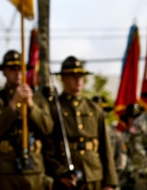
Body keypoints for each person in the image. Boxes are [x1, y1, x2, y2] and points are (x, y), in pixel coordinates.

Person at [0, 50, 54, 190]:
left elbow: (47, 127)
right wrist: (14, 103)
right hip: (5, 168)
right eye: (12, 69)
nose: (17, 73)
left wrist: (31, 104)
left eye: (20, 69)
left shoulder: (38, 98)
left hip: (33, 168)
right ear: (4, 71)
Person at [46, 56, 118, 190]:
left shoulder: (94, 109)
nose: (78, 79)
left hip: (94, 174)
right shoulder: (54, 108)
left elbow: (105, 148)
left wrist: (109, 183)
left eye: (80, 75)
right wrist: (59, 173)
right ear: (63, 78)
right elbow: (48, 147)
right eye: (73, 75)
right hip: (67, 177)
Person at [118, 104, 146, 190]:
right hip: (125, 180)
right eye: (132, 117)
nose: (135, 121)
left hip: (144, 179)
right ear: (127, 119)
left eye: (138, 117)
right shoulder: (121, 137)